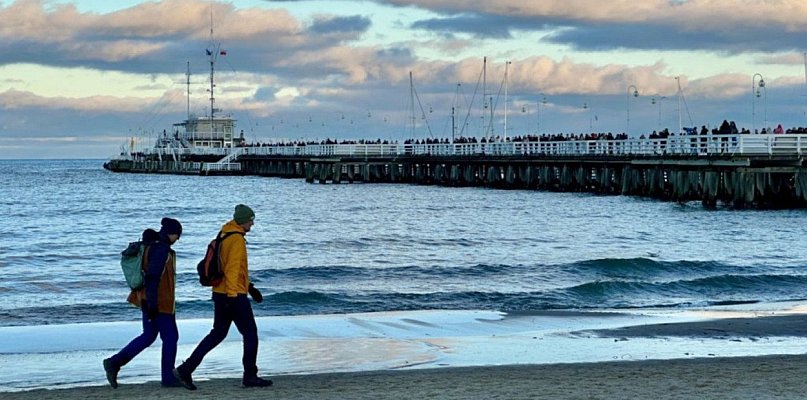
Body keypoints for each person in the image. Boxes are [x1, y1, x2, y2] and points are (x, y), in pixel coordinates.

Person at [173, 204, 271, 390]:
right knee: (250, 334)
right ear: (243, 221)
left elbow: (232, 269)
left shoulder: (225, 234)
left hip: (220, 294)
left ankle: (186, 369)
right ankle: (250, 376)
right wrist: (234, 296)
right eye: (251, 220)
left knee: (217, 334)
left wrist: (249, 288)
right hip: (232, 295)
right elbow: (232, 269)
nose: (253, 224)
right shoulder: (236, 240)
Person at [103, 217, 183, 388]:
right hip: (159, 302)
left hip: (147, 299)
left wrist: (148, 303)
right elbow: (153, 278)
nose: (178, 239)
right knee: (170, 337)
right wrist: (152, 305)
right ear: (171, 233)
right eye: (177, 235)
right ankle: (168, 378)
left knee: (148, 336)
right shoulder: (161, 249)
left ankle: (114, 363)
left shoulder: (149, 245)